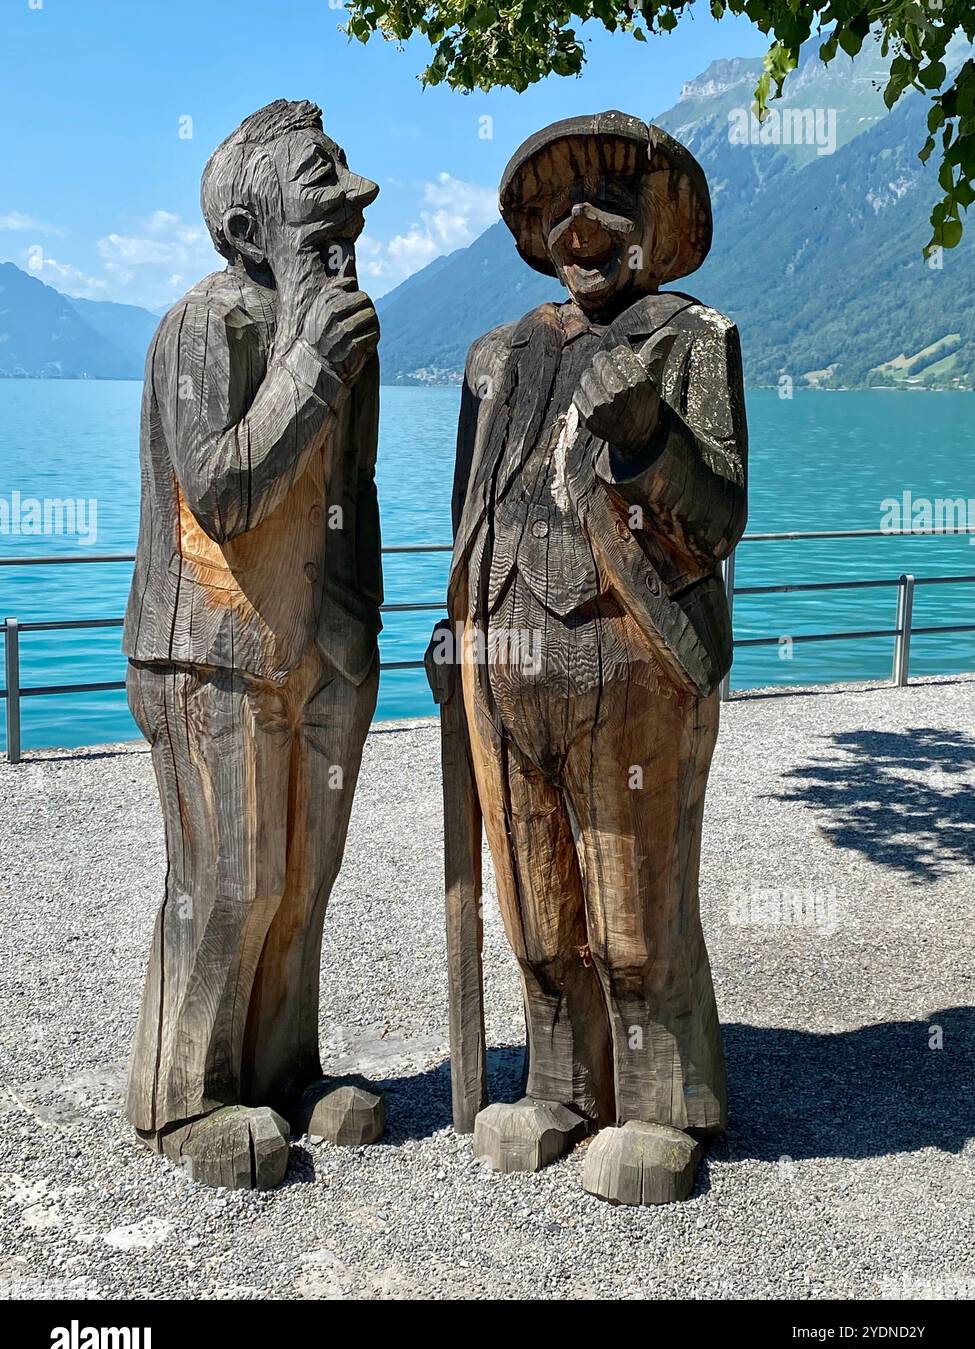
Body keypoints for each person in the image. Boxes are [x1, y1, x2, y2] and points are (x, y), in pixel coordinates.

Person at [444, 111, 748, 1200]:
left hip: (633, 669)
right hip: (504, 662)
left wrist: (649, 440)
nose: (581, 224)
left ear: (662, 220)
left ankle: (663, 1097)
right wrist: (458, 631)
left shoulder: (690, 336)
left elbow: (718, 519)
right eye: (557, 203)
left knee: (634, 903)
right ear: (532, 228)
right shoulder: (498, 354)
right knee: (536, 905)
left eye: (609, 196)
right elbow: (468, 509)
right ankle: (561, 1084)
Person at [122, 100, 383, 1187]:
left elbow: (351, 494)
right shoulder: (208, 323)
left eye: (349, 206)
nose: (345, 225)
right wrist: (312, 368)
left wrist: (362, 629)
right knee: (229, 879)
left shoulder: (346, 332)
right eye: (318, 196)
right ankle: (189, 1091)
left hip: (320, 646)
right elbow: (223, 490)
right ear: (242, 225)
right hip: (212, 643)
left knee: (302, 877)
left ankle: (282, 1066)